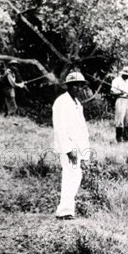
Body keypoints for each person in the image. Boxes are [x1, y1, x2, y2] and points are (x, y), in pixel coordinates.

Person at [53, 72, 91, 220]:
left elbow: (82, 129)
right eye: (74, 85)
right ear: (68, 86)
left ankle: (67, 209)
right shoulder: (61, 102)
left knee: (76, 176)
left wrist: (85, 152)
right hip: (68, 147)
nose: (78, 88)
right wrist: (68, 150)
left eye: (80, 85)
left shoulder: (77, 104)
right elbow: (60, 128)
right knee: (70, 176)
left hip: (78, 145)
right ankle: (65, 211)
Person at [111, 67, 128, 142]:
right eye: (126, 75)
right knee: (119, 120)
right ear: (123, 74)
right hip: (120, 100)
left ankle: (126, 139)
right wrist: (121, 93)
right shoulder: (116, 80)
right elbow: (112, 92)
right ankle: (119, 139)